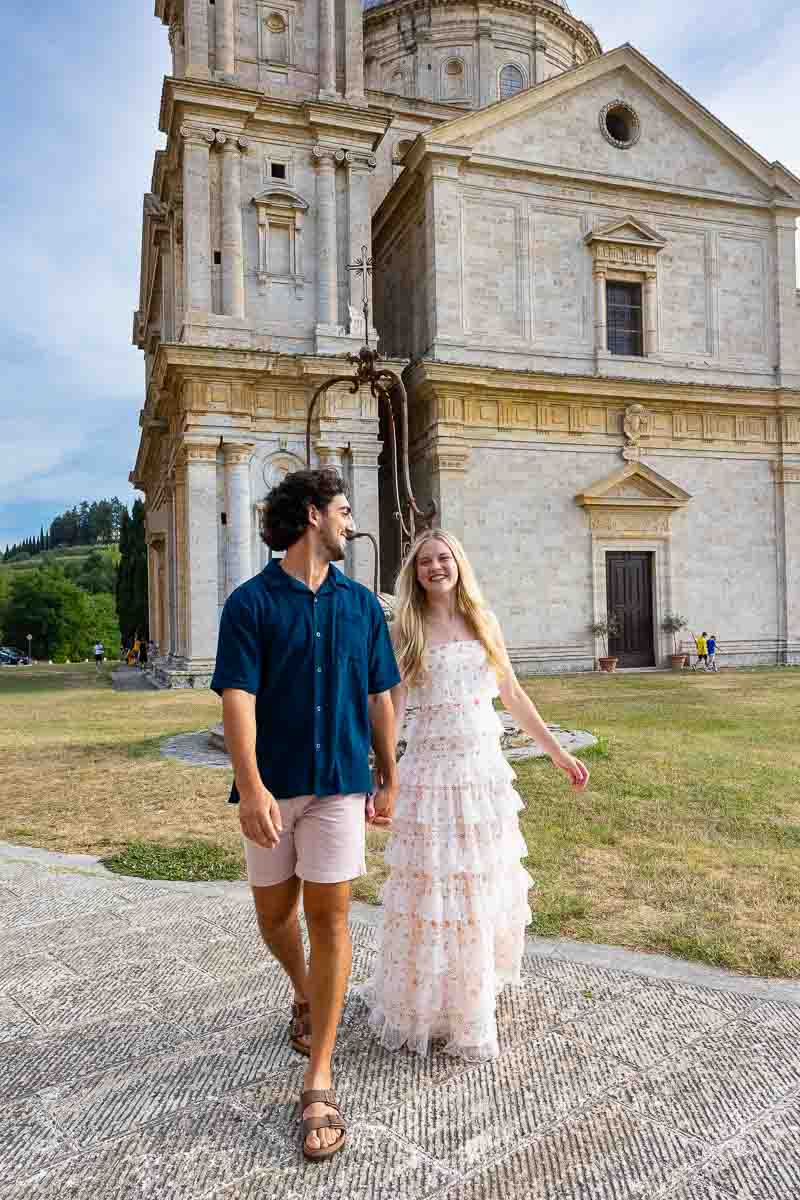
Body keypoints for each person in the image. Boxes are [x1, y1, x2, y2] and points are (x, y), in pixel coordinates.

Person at [211, 468, 399, 1163]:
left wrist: (389, 774)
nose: (352, 522)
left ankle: (318, 1075)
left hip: (339, 786)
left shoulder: (359, 606)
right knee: (273, 916)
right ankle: (303, 988)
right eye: (345, 511)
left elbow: (381, 695)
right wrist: (250, 785)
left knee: (333, 916)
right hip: (274, 785)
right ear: (314, 515)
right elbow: (237, 697)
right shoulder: (250, 603)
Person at [359, 530, 589, 1061]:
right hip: (431, 776)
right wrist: (384, 777)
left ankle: (471, 996)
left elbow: (513, 695)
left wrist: (557, 753)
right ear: (414, 574)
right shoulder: (406, 629)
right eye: (424, 562)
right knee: (435, 888)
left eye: (443, 558)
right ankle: (427, 1002)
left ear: (459, 563)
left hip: (482, 774)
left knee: (480, 883)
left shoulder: (484, 621)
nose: (435, 568)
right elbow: (390, 706)